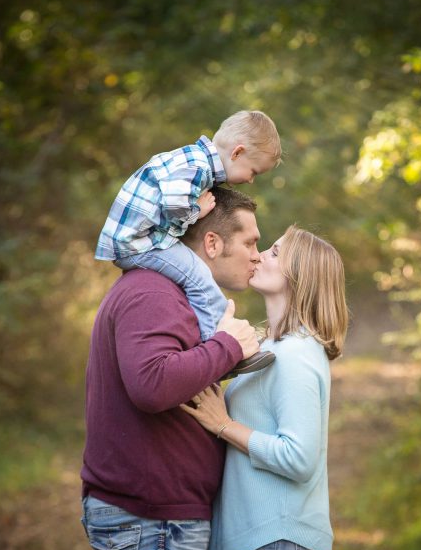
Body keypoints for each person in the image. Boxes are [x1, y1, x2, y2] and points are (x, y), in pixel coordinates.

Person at [81, 187, 265, 550]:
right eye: (251, 243)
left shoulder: (169, 294)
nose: (258, 257)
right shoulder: (154, 293)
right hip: (151, 520)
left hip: (154, 520)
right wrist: (227, 346)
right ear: (212, 244)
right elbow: (152, 384)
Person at [180, 225, 348, 550]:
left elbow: (299, 456)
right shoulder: (274, 348)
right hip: (264, 538)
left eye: (273, 251)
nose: (259, 256)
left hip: (280, 539)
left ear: (300, 275)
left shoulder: (296, 356)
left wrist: (224, 425)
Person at [94, 110, 281, 377]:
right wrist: (198, 211)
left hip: (137, 240)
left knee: (195, 277)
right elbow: (173, 204)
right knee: (199, 277)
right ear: (237, 153)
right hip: (138, 243)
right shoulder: (197, 167)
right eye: (253, 172)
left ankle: (215, 345)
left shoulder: (192, 159)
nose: (251, 180)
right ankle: (219, 346)